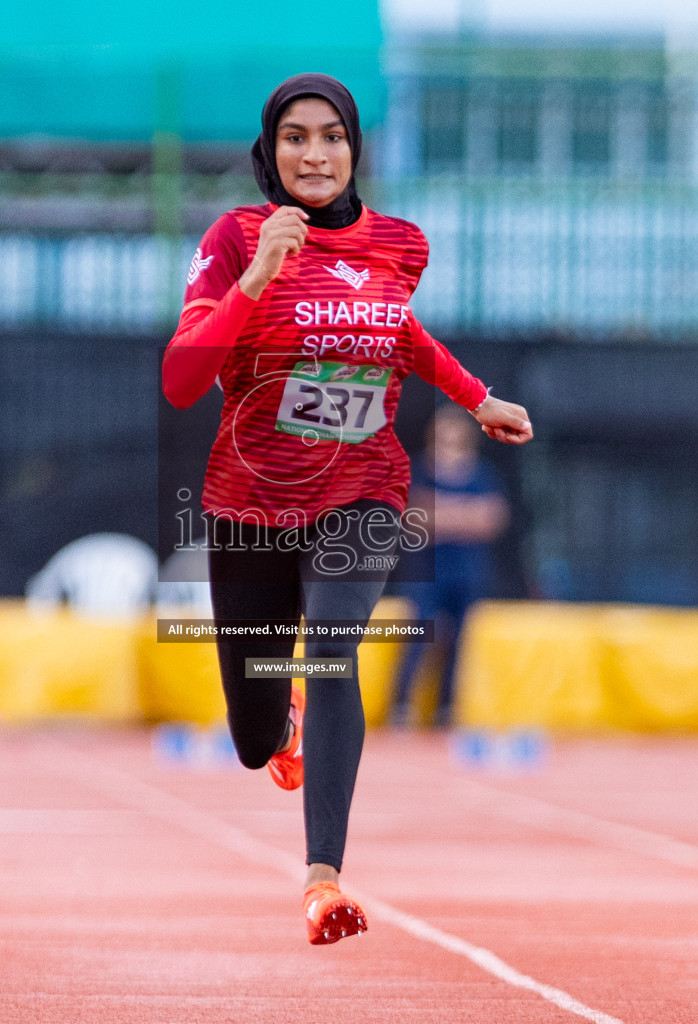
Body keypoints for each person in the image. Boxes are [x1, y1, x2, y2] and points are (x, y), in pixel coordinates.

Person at [161, 74, 533, 944]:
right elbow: (182, 380)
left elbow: (402, 336)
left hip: (361, 488)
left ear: (355, 148)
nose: (315, 154)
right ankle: (275, 721)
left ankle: (322, 878)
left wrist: (475, 396)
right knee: (253, 738)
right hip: (250, 500)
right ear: (271, 150)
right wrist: (256, 276)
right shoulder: (234, 238)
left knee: (333, 648)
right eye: (296, 137)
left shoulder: (400, 244)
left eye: (331, 137)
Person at [390, 405, 508, 728]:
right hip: (426, 570)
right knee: (419, 634)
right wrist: (465, 513)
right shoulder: (420, 468)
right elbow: (412, 516)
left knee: (458, 640)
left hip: (467, 570)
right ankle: (401, 705)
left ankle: (445, 708)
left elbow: (492, 519)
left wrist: (439, 511)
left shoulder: (481, 473)